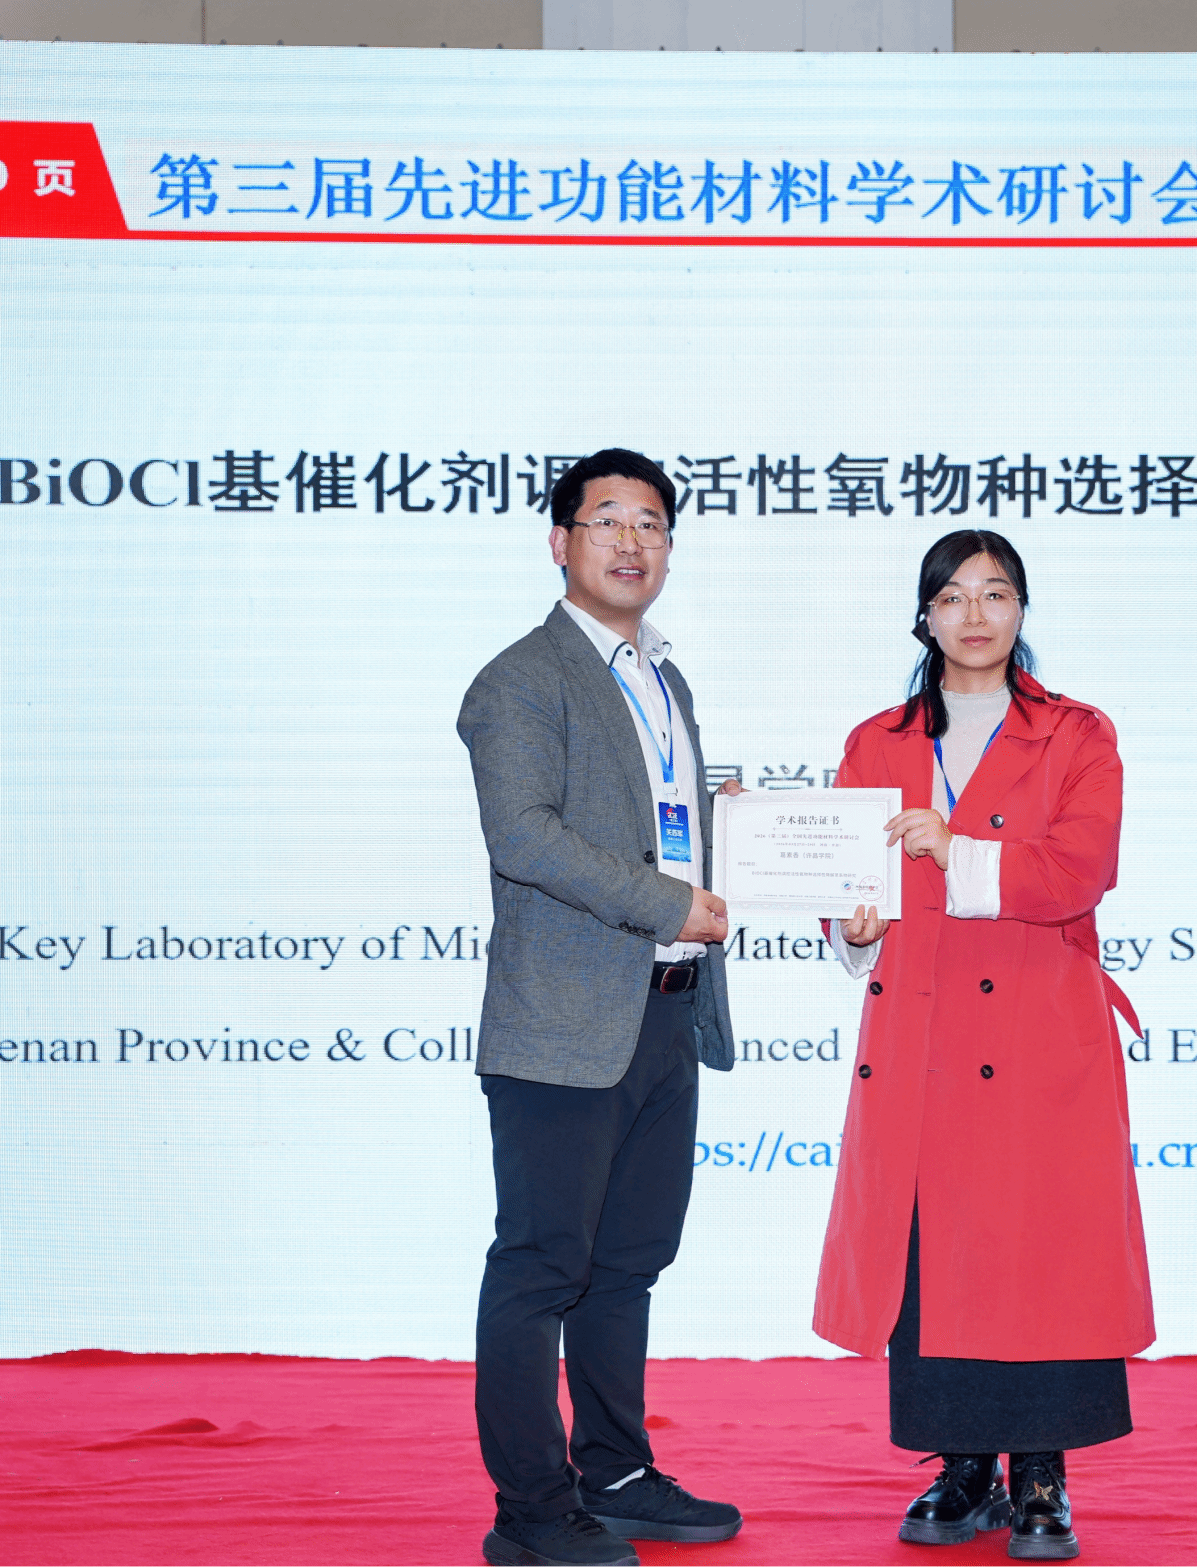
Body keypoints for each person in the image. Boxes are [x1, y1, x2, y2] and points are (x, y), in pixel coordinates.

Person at [813, 529, 1153, 1561]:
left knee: (1044, 1251)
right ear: (924, 616)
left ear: (1020, 610)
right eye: (952, 595)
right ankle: (962, 1465)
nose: (974, 614)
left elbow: (1082, 866)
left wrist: (955, 848)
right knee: (937, 1251)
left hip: (1039, 1029)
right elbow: (849, 888)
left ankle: (1042, 1472)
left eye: (995, 593)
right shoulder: (877, 741)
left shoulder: (1077, 732)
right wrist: (850, 923)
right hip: (922, 1027)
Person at [458, 449, 745, 1567]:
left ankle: (615, 1472)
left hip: (664, 1012)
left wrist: (743, 837)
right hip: (561, 1027)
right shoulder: (520, 678)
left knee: (626, 1265)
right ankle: (529, 1510)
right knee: (541, 1267)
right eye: (608, 520)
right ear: (559, 541)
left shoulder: (663, 679)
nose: (632, 542)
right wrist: (672, 900)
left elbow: (650, 824)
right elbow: (524, 836)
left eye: (652, 524)